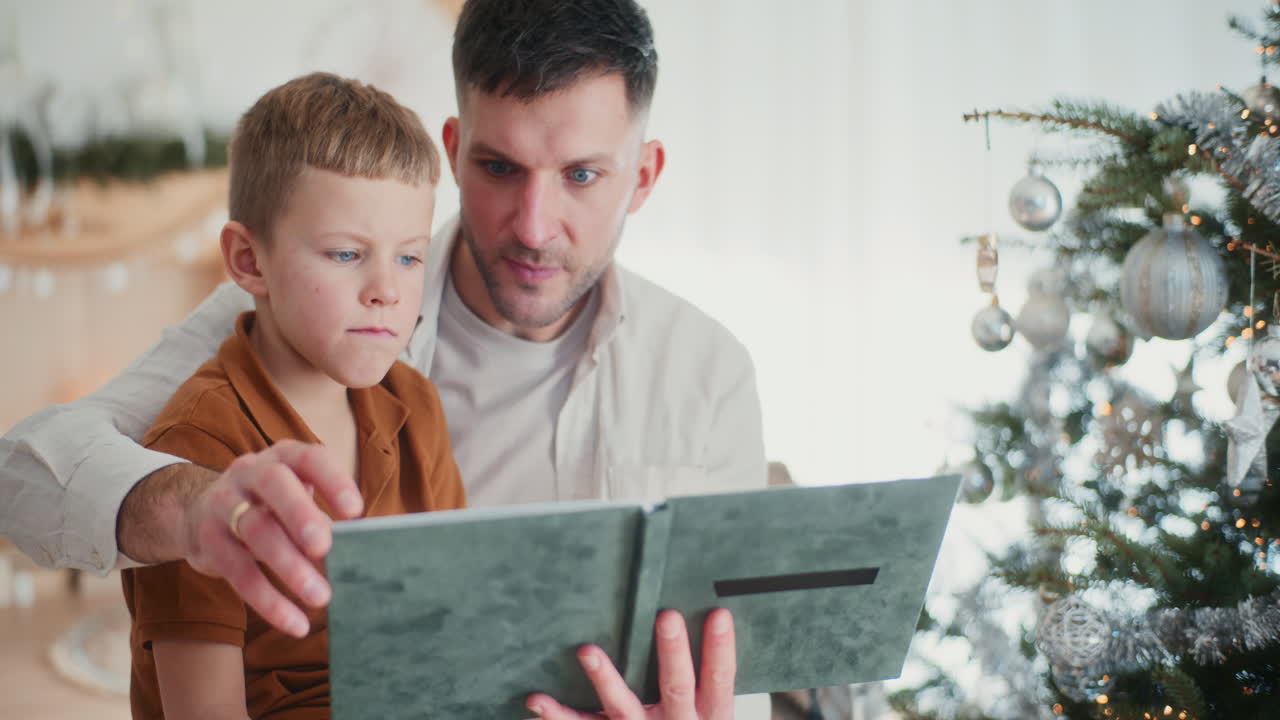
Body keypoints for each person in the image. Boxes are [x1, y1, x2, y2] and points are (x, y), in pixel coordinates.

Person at [0, 0, 767, 716]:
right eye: (500, 168)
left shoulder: (707, 373)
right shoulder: (292, 313)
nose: (534, 226)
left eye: (581, 175)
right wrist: (193, 510)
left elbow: (740, 671)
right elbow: (28, 470)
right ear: (457, 153)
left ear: (643, 177)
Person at [121, 71, 467, 719]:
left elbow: (459, 631)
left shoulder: (416, 407)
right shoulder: (196, 451)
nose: (386, 291)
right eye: (345, 255)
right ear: (250, 262)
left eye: (410, 258)